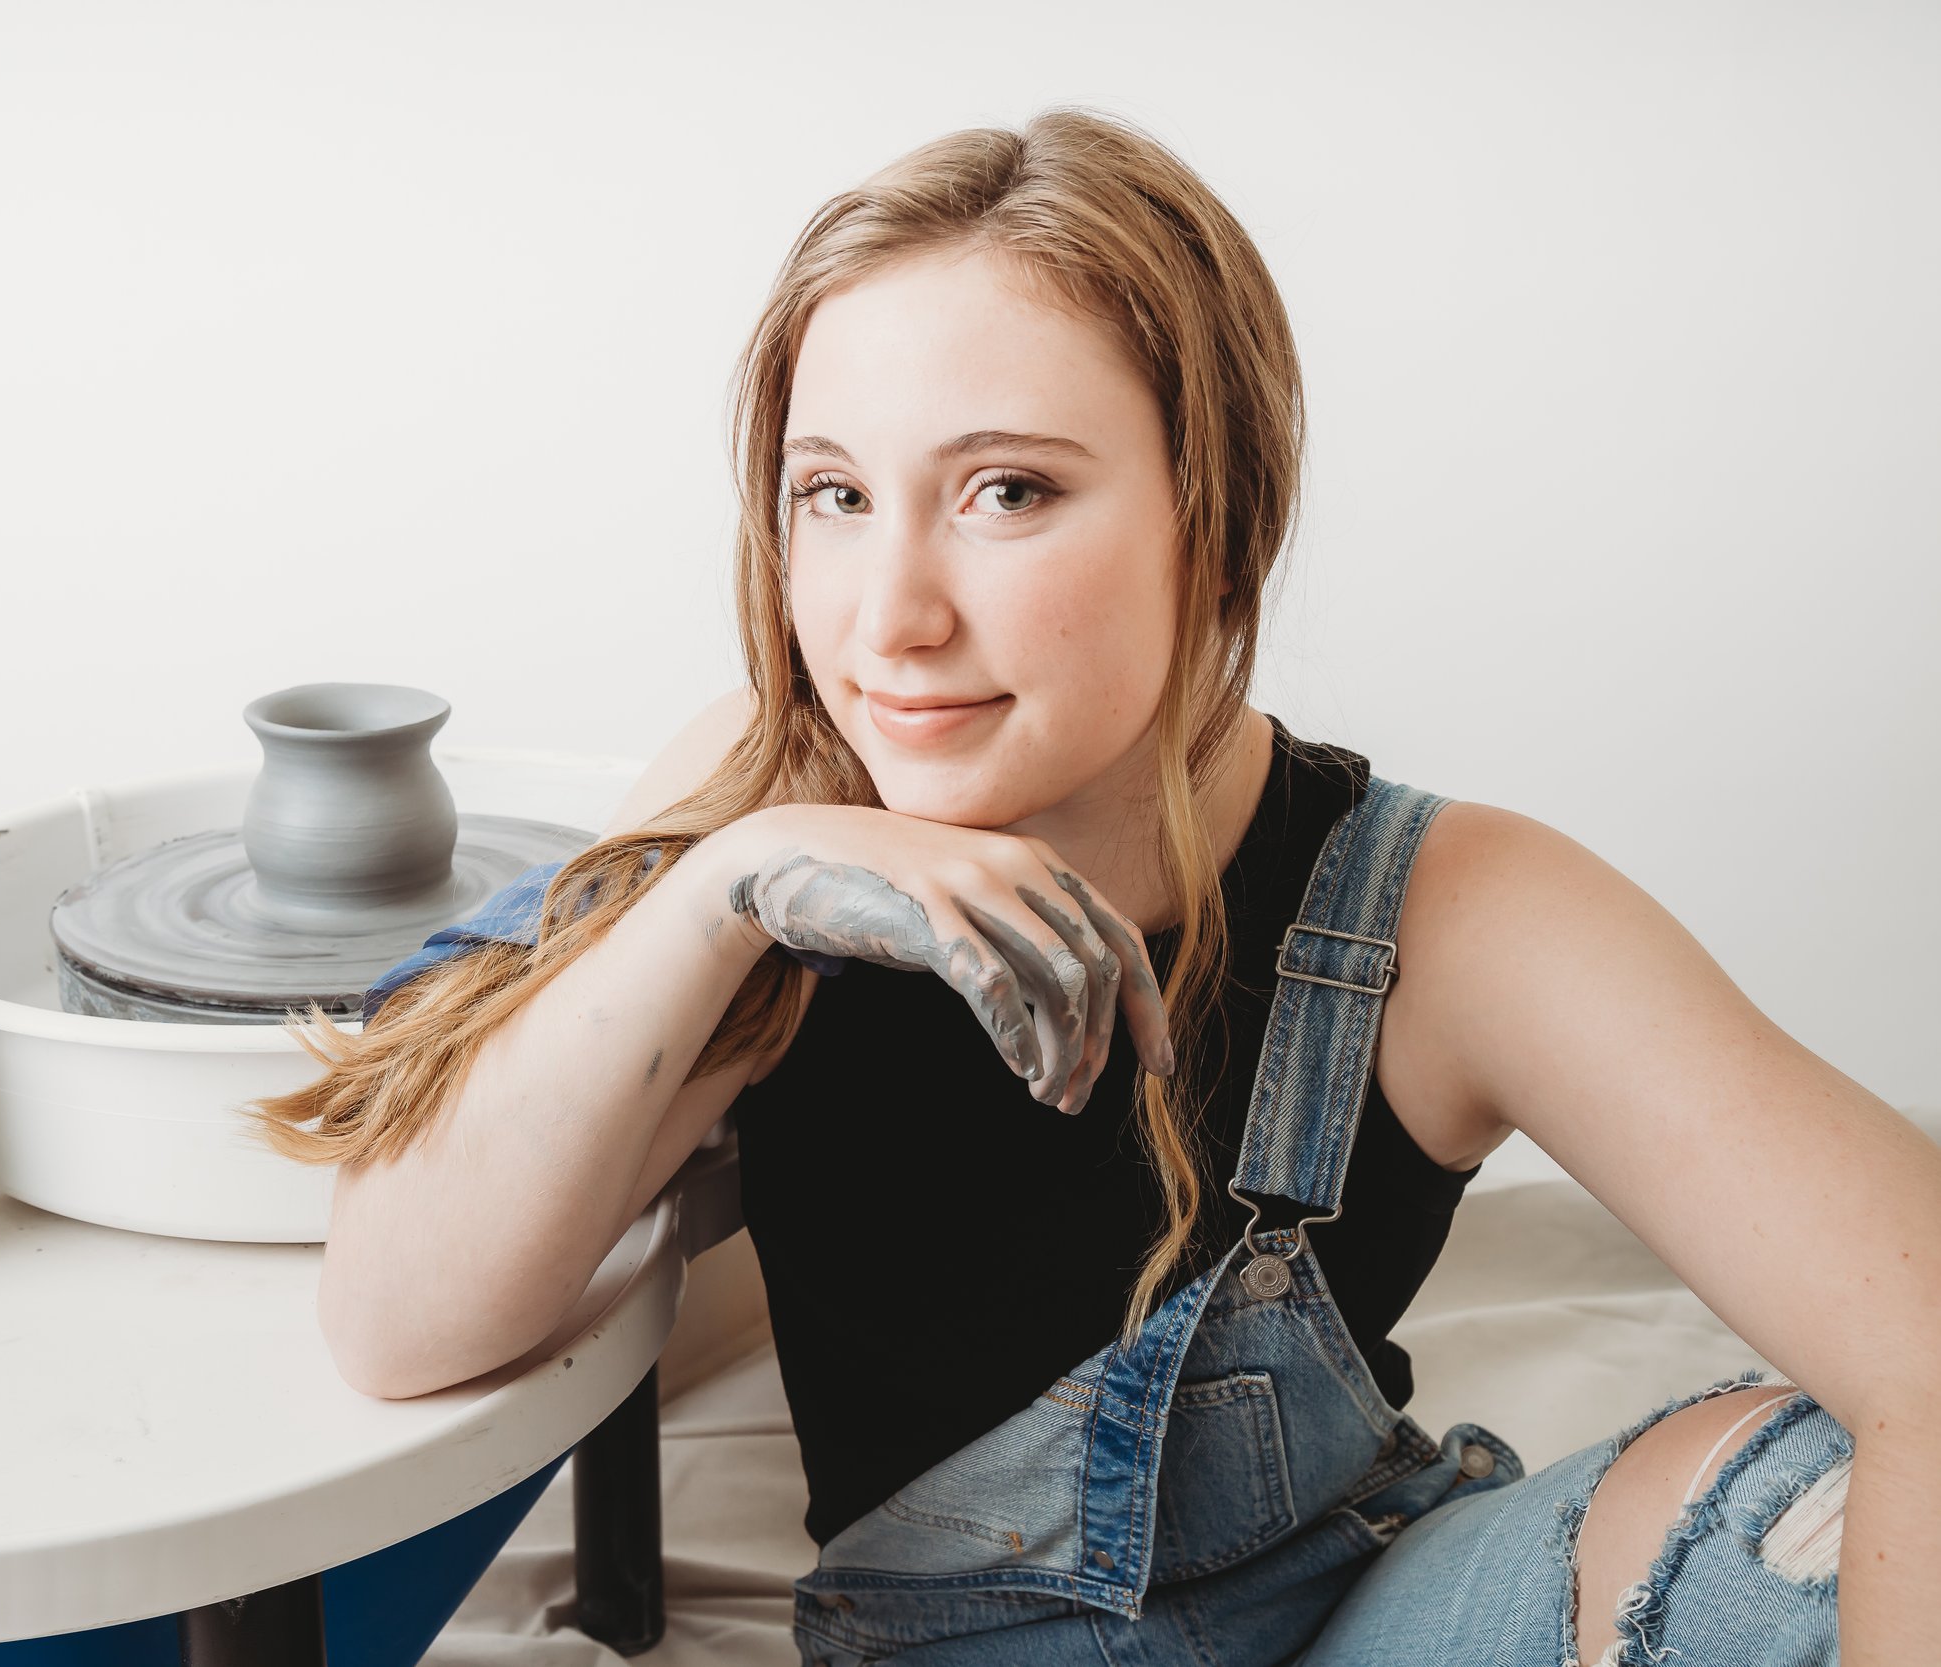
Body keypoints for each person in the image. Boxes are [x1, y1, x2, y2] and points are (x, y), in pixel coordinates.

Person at [246, 106, 1933, 1667]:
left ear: (1217, 507)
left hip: (1366, 1619)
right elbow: (399, 1318)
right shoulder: (765, 794)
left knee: (1801, 1494)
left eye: (1006, 492)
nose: (890, 617)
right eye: (833, 494)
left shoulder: (1450, 912)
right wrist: (726, 886)